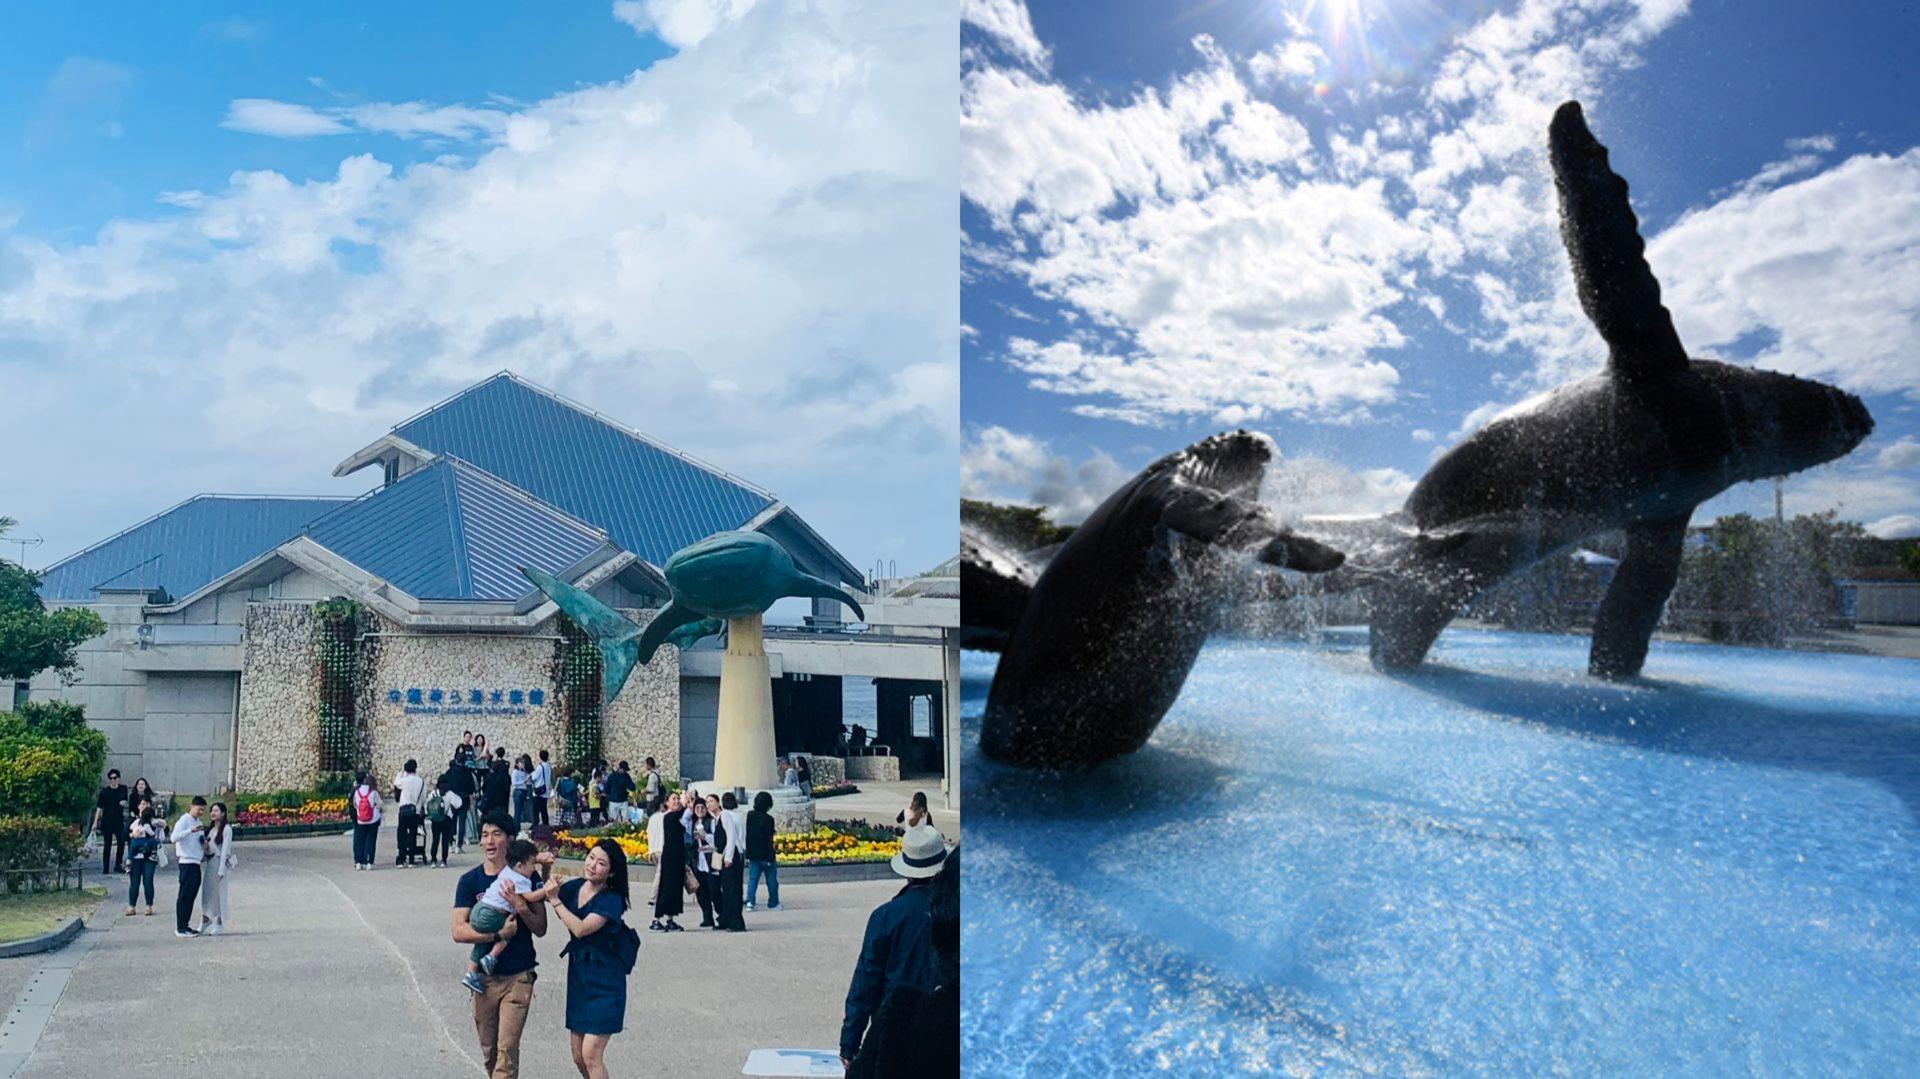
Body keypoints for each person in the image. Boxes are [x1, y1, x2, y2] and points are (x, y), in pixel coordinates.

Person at [839, 823, 947, 1067]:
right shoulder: (955, 912)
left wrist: (850, 1043)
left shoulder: (886, 916)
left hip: (894, 1025)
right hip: (945, 1025)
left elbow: (865, 982)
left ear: (908, 872)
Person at [453, 812, 552, 1079]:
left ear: (509, 840)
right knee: (490, 1054)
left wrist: (521, 904)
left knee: (506, 1053)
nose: (489, 841)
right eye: (485, 835)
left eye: (496, 834)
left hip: (519, 975)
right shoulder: (470, 881)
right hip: (484, 981)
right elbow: (459, 931)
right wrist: (498, 934)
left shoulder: (526, 876)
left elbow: (540, 928)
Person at [548, 838, 636, 1078]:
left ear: (611, 872)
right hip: (580, 978)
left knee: (591, 1053)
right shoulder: (575, 887)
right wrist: (545, 869)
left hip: (606, 981)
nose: (593, 865)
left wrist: (555, 900)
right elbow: (545, 891)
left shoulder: (611, 899)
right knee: (578, 1055)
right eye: (591, 858)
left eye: (601, 863)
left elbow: (581, 929)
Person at [459, 838, 560, 994]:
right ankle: (491, 957)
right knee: (508, 930)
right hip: (491, 913)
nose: (534, 868)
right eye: (533, 864)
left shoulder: (508, 870)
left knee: (481, 942)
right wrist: (548, 889)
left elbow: (522, 859)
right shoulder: (521, 879)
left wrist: (539, 860)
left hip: (479, 910)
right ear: (520, 865)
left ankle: (471, 973)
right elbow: (531, 897)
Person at [170, 795, 210, 938]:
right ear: (191, 807)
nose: (200, 812)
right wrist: (189, 831)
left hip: (196, 862)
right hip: (186, 862)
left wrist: (204, 844)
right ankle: (180, 927)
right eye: (199, 809)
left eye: (202, 810)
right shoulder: (184, 820)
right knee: (184, 895)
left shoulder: (198, 822)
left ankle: (185, 925)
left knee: (191, 895)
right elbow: (173, 838)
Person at [198, 801, 238, 935]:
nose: (213, 813)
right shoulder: (210, 830)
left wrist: (221, 869)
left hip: (220, 863)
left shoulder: (226, 829)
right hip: (210, 863)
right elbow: (208, 850)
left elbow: (225, 850)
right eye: (212, 811)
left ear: (223, 813)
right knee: (207, 892)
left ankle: (219, 922)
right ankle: (205, 918)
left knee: (219, 893)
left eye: (216, 811)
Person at [648, 793, 685, 932]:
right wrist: (687, 804)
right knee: (665, 887)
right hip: (668, 856)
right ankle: (656, 920)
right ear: (667, 803)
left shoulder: (675, 817)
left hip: (676, 857)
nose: (676, 801)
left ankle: (670, 919)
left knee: (674, 889)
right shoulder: (669, 816)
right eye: (673, 799)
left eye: (677, 798)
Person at [714, 792, 747, 931]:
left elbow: (731, 837)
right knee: (735, 889)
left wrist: (728, 857)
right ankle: (728, 919)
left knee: (729, 890)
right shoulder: (740, 816)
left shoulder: (725, 815)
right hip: (739, 854)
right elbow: (742, 836)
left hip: (730, 856)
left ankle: (733, 921)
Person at [744, 790, 780, 913]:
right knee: (771, 880)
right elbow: (768, 838)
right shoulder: (769, 819)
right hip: (766, 854)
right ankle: (773, 903)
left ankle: (750, 902)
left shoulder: (750, 815)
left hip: (753, 853)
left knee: (752, 880)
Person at [684, 797, 717, 927]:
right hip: (697, 861)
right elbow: (683, 820)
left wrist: (705, 837)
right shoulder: (691, 823)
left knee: (714, 890)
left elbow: (716, 840)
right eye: (697, 808)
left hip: (710, 859)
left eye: (702, 807)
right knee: (701, 892)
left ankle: (721, 914)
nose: (700, 810)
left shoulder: (712, 821)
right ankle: (707, 917)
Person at [125, 800, 161, 916]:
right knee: (134, 882)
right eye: (142, 804)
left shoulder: (154, 823)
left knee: (148, 880)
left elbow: (162, 832)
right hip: (137, 857)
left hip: (149, 857)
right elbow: (126, 832)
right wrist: (132, 834)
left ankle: (148, 905)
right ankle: (132, 905)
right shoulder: (137, 822)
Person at [91, 768, 129, 875]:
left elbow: (126, 802)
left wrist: (124, 803)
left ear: (118, 778)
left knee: (121, 842)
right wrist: (95, 822)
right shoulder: (105, 792)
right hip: (107, 820)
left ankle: (118, 864)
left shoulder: (123, 789)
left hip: (118, 820)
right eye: (111, 778)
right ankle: (106, 867)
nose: (113, 780)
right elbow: (99, 807)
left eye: (115, 778)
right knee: (107, 845)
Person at [395, 758, 427, 866]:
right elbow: (423, 798)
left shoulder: (405, 780)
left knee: (401, 834)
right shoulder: (421, 782)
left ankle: (401, 858)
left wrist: (401, 773)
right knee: (413, 834)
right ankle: (412, 859)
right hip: (415, 811)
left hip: (404, 809)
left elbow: (396, 783)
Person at [444, 753, 478, 852]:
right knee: (462, 822)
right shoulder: (467, 772)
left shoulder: (450, 772)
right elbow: (472, 787)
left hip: (452, 798)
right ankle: (459, 846)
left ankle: (450, 844)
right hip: (464, 798)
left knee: (451, 822)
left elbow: (446, 784)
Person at [351, 773, 383, 869]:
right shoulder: (373, 792)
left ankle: (358, 862)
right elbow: (381, 805)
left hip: (361, 820)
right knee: (371, 840)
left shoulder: (357, 792)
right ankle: (369, 861)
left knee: (360, 840)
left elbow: (355, 804)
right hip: (373, 820)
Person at [427, 776, 456, 867]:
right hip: (446, 819)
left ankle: (433, 860)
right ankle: (444, 860)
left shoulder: (433, 793)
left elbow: (428, 804)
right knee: (445, 840)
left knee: (435, 840)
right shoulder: (450, 794)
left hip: (435, 819)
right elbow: (459, 803)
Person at [485, 749, 513, 831]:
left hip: (495, 791)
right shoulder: (506, 764)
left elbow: (489, 766)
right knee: (504, 809)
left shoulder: (494, 765)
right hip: (504, 791)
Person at [604, 761, 635, 826]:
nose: (626, 771)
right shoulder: (612, 776)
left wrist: (631, 785)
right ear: (620, 768)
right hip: (613, 801)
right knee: (613, 821)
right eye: (625, 770)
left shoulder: (626, 776)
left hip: (623, 801)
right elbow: (606, 789)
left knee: (626, 820)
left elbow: (632, 787)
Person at [510, 754, 533, 830]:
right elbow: (514, 783)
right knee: (517, 810)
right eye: (521, 763)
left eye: (523, 763)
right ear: (517, 764)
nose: (523, 764)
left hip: (524, 791)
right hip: (518, 791)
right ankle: (516, 826)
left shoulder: (523, 772)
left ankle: (518, 825)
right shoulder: (515, 772)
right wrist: (523, 781)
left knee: (522, 810)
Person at [532, 750, 553, 828]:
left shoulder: (540, 767)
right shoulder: (548, 766)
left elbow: (534, 777)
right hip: (545, 791)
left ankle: (536, 827)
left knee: (536, 811)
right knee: (544, 810)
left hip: (539, 791)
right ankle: (546, 826)